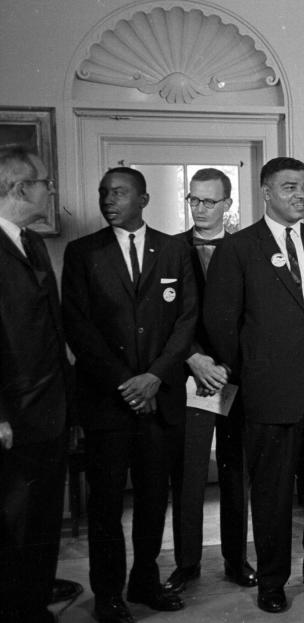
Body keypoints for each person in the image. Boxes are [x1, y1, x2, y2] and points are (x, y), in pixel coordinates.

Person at [204, 157, 304, 614]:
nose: (301, 195)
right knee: (271, 493)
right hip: (269, 391)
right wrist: (252, 376)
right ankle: (272, 580)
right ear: (266, 192)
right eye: (290, 187)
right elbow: (221, 323)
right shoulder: (239, 248)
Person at [62, 167, 198, 622]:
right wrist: (128, 382)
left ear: (144, 197)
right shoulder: (83, 253)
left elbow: (186, 321)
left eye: (118, 192)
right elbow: (77, 326)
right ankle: (108, 595)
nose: (108, 200)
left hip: (160, 400)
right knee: (105, 506)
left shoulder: (175, 250)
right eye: (103, 192)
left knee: (153, 499)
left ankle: (144, 581)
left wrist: (156, 376)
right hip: (108, 401)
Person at [163, 168, 254, 594]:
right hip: (188, 376)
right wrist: (195, 358)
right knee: (188, 472)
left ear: (228, 204)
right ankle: (186, 563)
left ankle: (237, 560)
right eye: (193, 200)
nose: (200, 209)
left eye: (209, 201)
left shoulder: (246, 249)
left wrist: (229, 367)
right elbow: (165, 319)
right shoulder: (167, 250)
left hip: (236, 377)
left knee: (236, 473)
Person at [0, 145, 72, 623]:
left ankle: (36, 601)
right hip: (14, 415)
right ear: (21, 187)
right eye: (44, 181)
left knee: (44, 517)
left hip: (51, 407)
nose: (51, 188)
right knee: (14, 522)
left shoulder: (33, 243)